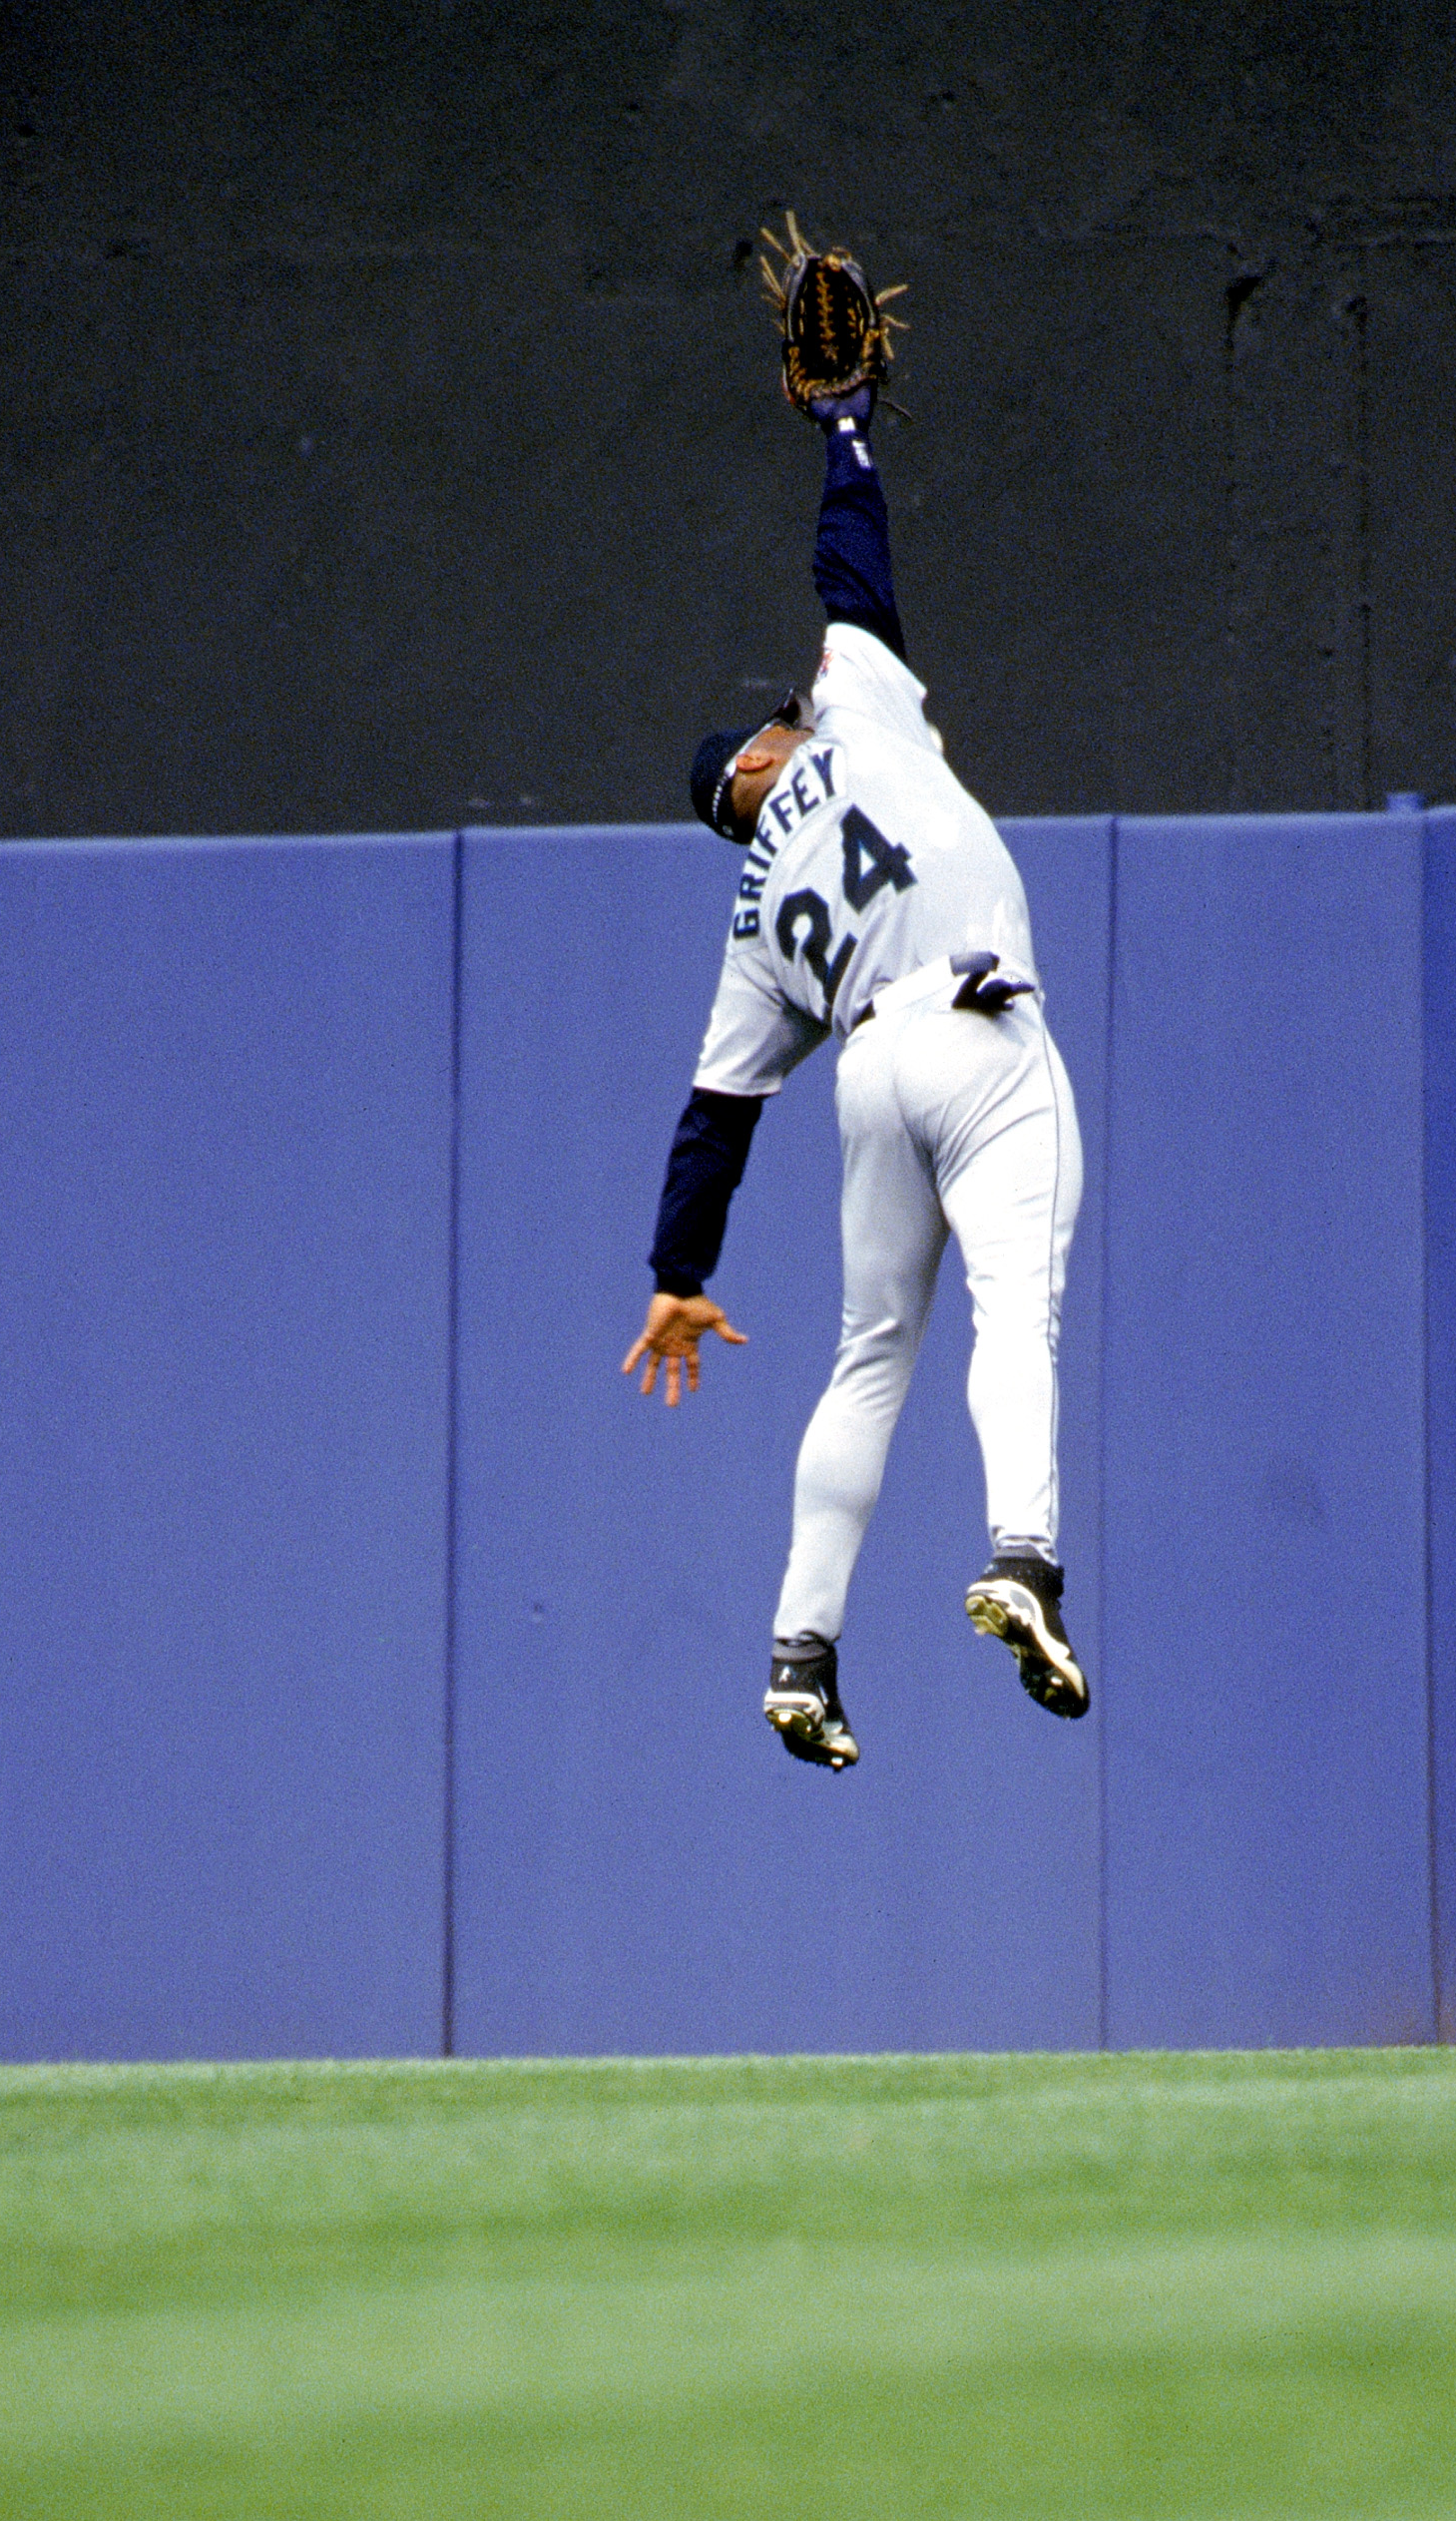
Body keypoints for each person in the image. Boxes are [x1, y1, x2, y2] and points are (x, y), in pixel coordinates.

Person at [620, 371, 1089, 1773]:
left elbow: (715, 1118)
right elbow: (853, 565)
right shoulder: (855, 716)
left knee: (868, 1356)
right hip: (981, 1039)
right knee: (1017, 1315)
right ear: (762, 757)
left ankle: (799, 1649)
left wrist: (676, 1269)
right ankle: (1024, 1558)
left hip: (869, 1071)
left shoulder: (752, 921)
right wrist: (843, 427)